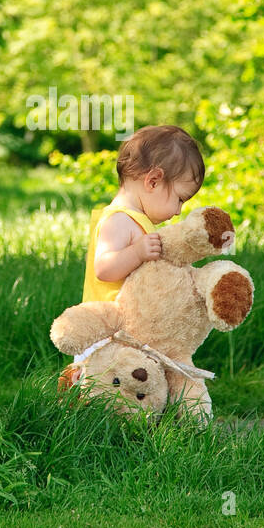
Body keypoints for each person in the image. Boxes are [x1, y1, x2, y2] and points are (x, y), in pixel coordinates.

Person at [70, 125, 206, 367]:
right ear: (153, 181)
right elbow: (103, 268)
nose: (178, 211)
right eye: (180, 199)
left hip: (132, 332)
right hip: (108, 335)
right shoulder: (118, 219)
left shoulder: (138, 220)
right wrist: (136, 252)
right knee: (112, 392)